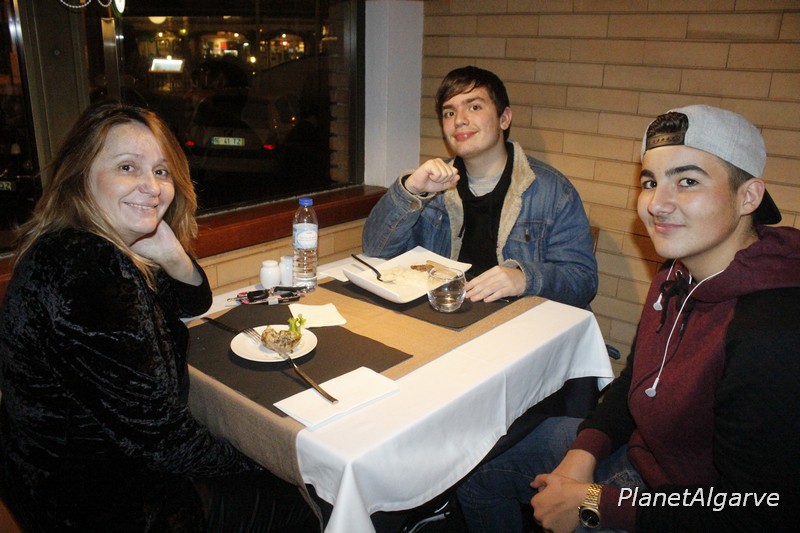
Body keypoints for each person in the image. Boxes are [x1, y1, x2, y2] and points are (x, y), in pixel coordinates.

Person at [456, 104, 800, 532]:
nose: (657, 204)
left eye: (688, 181)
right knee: (480, 471)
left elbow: (759, 507)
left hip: (684, 509)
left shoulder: (772, 332)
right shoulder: (675, 273)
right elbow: (636, 380)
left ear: (748, 196)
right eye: (651, 182)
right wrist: (583, 455)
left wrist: (595, 503)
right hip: (641, 460)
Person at [0, 101, 315, 532]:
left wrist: (169, 251)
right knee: (304, 498)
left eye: (161, 171)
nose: (151, 186)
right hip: (103, 503)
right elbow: (163, 437)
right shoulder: (88, 268)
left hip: (59, 479)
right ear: (81, 174)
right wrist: (267, 460)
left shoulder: (80, 244)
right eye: (127, 167)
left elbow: (193, 301)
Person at [362, 66, 597, 308]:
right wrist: (411, 190)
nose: (459, 120)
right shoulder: (431, 182)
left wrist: (524, 279)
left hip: (517, 319)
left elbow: (583, 281)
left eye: (474, 107)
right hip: (443, 310)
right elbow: (375, 249)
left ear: (504, 118)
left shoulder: (553, 191)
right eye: (449, 113)